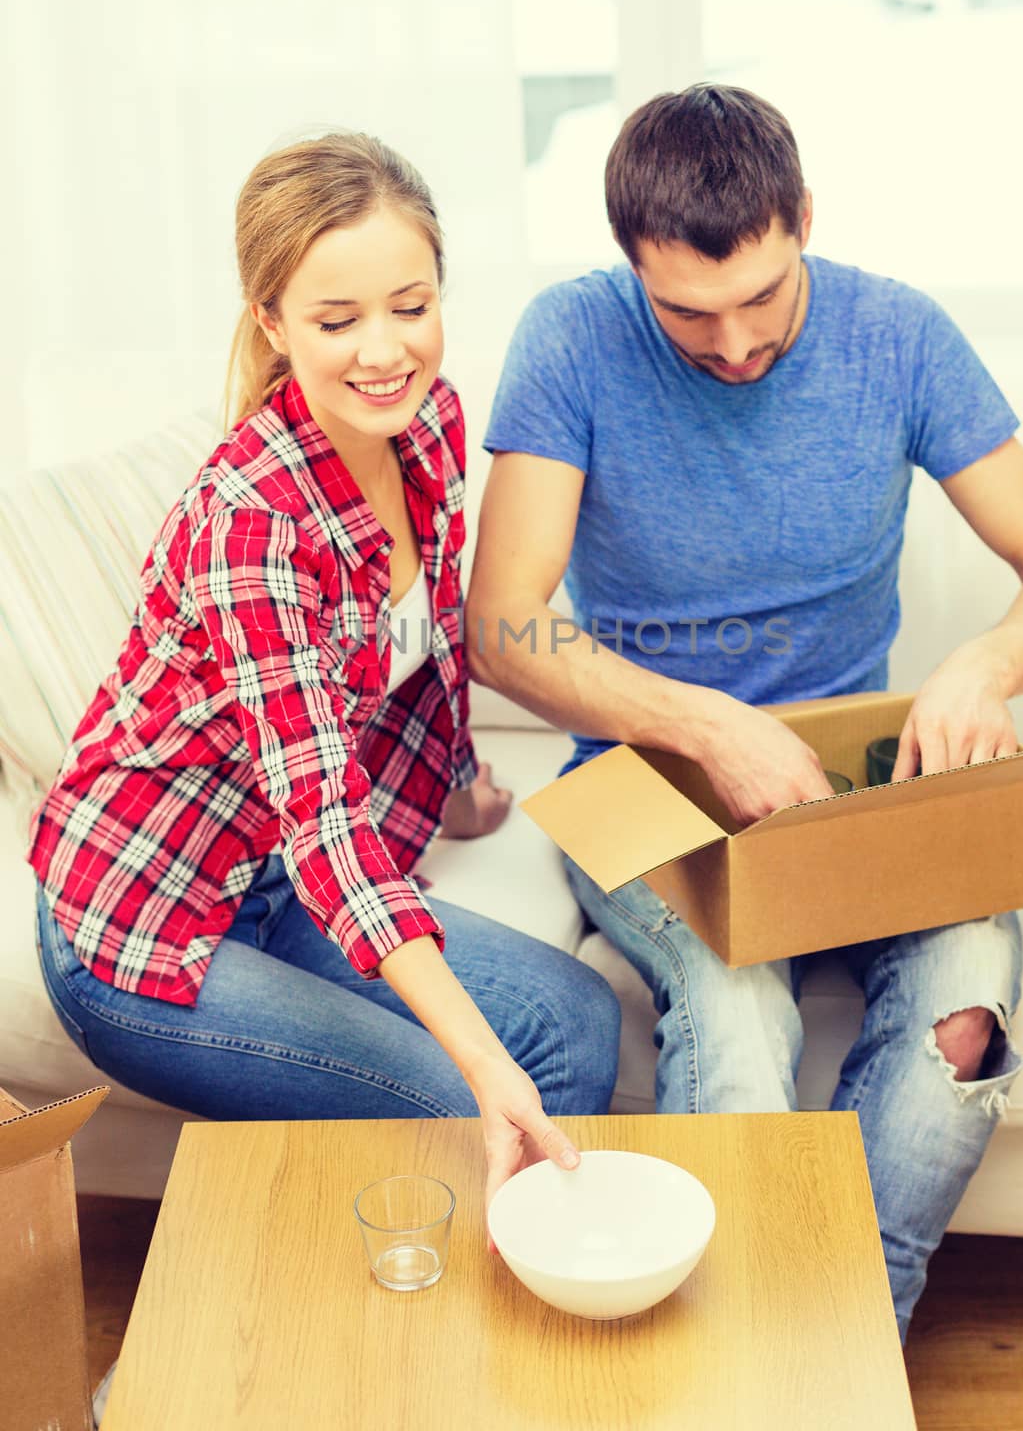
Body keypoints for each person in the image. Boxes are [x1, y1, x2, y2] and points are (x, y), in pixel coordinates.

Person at [466, 84, 1023, 1336]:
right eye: (688, 313)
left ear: (802, 217)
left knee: (970, 992)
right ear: (629, 265)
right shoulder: (570, 339)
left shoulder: (898, 337)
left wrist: (981, 667)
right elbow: (502, 622)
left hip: (861, 787)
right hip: (648, 786)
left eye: (761, 296)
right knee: (736, 1009)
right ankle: (744, 1363)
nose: (734, 346)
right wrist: (707, 725)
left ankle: (835, 1353)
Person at [29, 131, 620, 1209]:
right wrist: (484, 1066)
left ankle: (506, 1307)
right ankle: (371, 1351)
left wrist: (458, 790)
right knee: (462, 1102)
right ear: (271, 322)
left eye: (411, 305)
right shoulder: (250, 521)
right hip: (149, 915)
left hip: (279, 877)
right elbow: (326, 824)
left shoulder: (428, 424)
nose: (384, 351)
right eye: (336, 321)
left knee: (577, 1022)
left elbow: (430, 643)